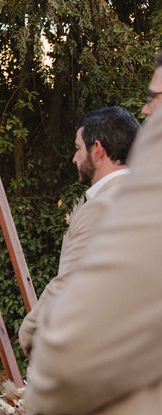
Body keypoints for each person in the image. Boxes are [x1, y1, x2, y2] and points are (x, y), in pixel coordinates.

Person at [25, 56, 162, 415]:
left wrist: (43, 383)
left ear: (96, 150)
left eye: (153, 98)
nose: (147, 112)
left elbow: (81, 303)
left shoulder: (124, 202)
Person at [18, 106, 139, 353]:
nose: (74, 159)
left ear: (97, 150)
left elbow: (71, 285)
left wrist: (29, 333)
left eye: (77, 149)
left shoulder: (103, 207)